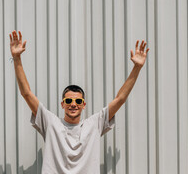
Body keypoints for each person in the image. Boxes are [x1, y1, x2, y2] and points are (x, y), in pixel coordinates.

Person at [9, 30, 149, 174]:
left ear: (83, 104)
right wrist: (17, 58)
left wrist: (136, 68)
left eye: (78, 101)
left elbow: (120, 99)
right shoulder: (50, 122)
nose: (73, 104)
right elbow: (26, 93)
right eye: (68, 100)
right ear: (62, 104)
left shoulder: (95, 124)